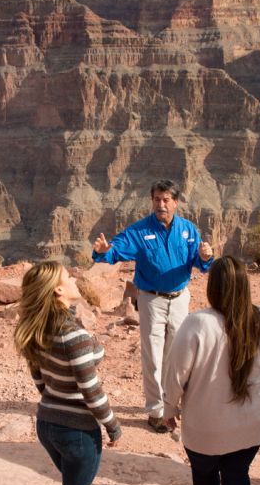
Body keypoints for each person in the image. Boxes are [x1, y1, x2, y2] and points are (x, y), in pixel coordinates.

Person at [162, 255, 260, 485]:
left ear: (213, 287)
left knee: (204, 470)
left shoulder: (198, 323)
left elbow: (176, 374)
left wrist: (168, 409)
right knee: (237, 474)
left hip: (206, 425)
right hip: (252, 423)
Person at [13, 261, 122, 485]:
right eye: (68, 277)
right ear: (59, 290)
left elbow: (38, 375)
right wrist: (112, 424)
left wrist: (53, 395)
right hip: (77, 431)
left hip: (47, 423)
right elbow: (90, 387)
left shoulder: (42, 327)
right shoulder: (72, 334)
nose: (75, 279)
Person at [92, 179, 214, 433]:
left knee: (177, 355)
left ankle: (173, 404)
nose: (161, 204)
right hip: (152, 300)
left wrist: (205, 257)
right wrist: (104, 251)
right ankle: (157, 412)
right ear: (152, 201)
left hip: (180, 298)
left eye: (166, 199)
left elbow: (200, 263)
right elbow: (116, 250)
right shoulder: (140, 231)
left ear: (176, 202)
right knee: (154, 357)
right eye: (157, 199)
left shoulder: (188, 230)